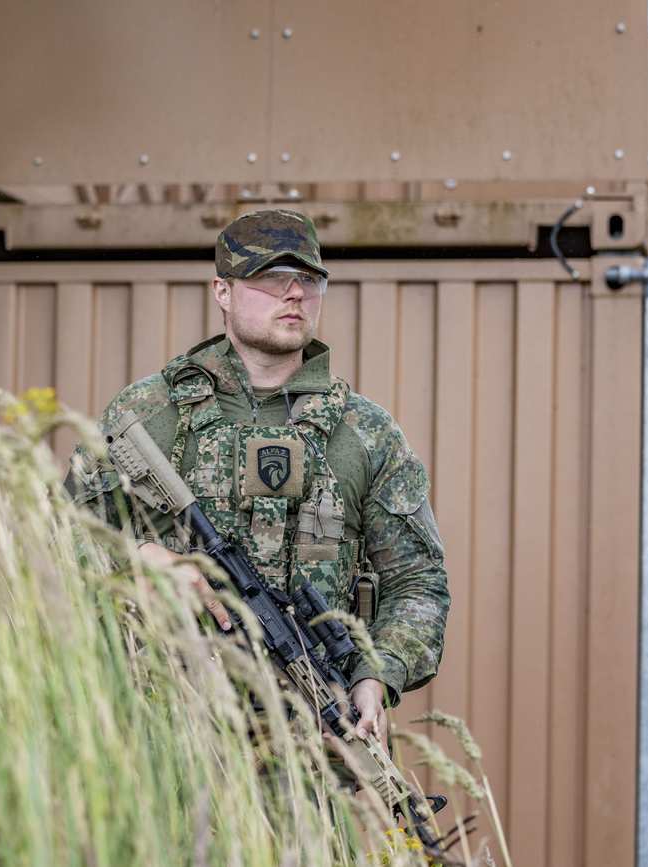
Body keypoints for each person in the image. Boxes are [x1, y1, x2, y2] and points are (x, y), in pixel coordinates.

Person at [65, 209, 449, 743]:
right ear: (222, 291)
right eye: (271, 278)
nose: (294, 294)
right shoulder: (150, 413)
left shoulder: (364, 432)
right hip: (162, 738)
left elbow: (419, 581)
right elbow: (60, 543)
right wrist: (142, 562)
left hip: (310, 751)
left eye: (309, 280)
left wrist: (376, 675)